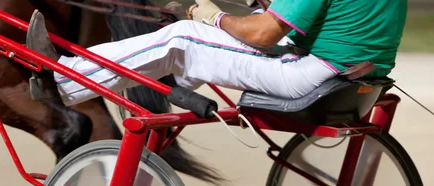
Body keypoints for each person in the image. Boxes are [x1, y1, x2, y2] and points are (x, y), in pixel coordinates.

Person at [27, 0, 407, 106]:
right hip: (353, 77)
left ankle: (62, 82)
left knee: (181, 37)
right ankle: (166, 79)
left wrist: (214, 16)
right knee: (215, 34)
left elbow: (261, 34)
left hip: (309, 77)